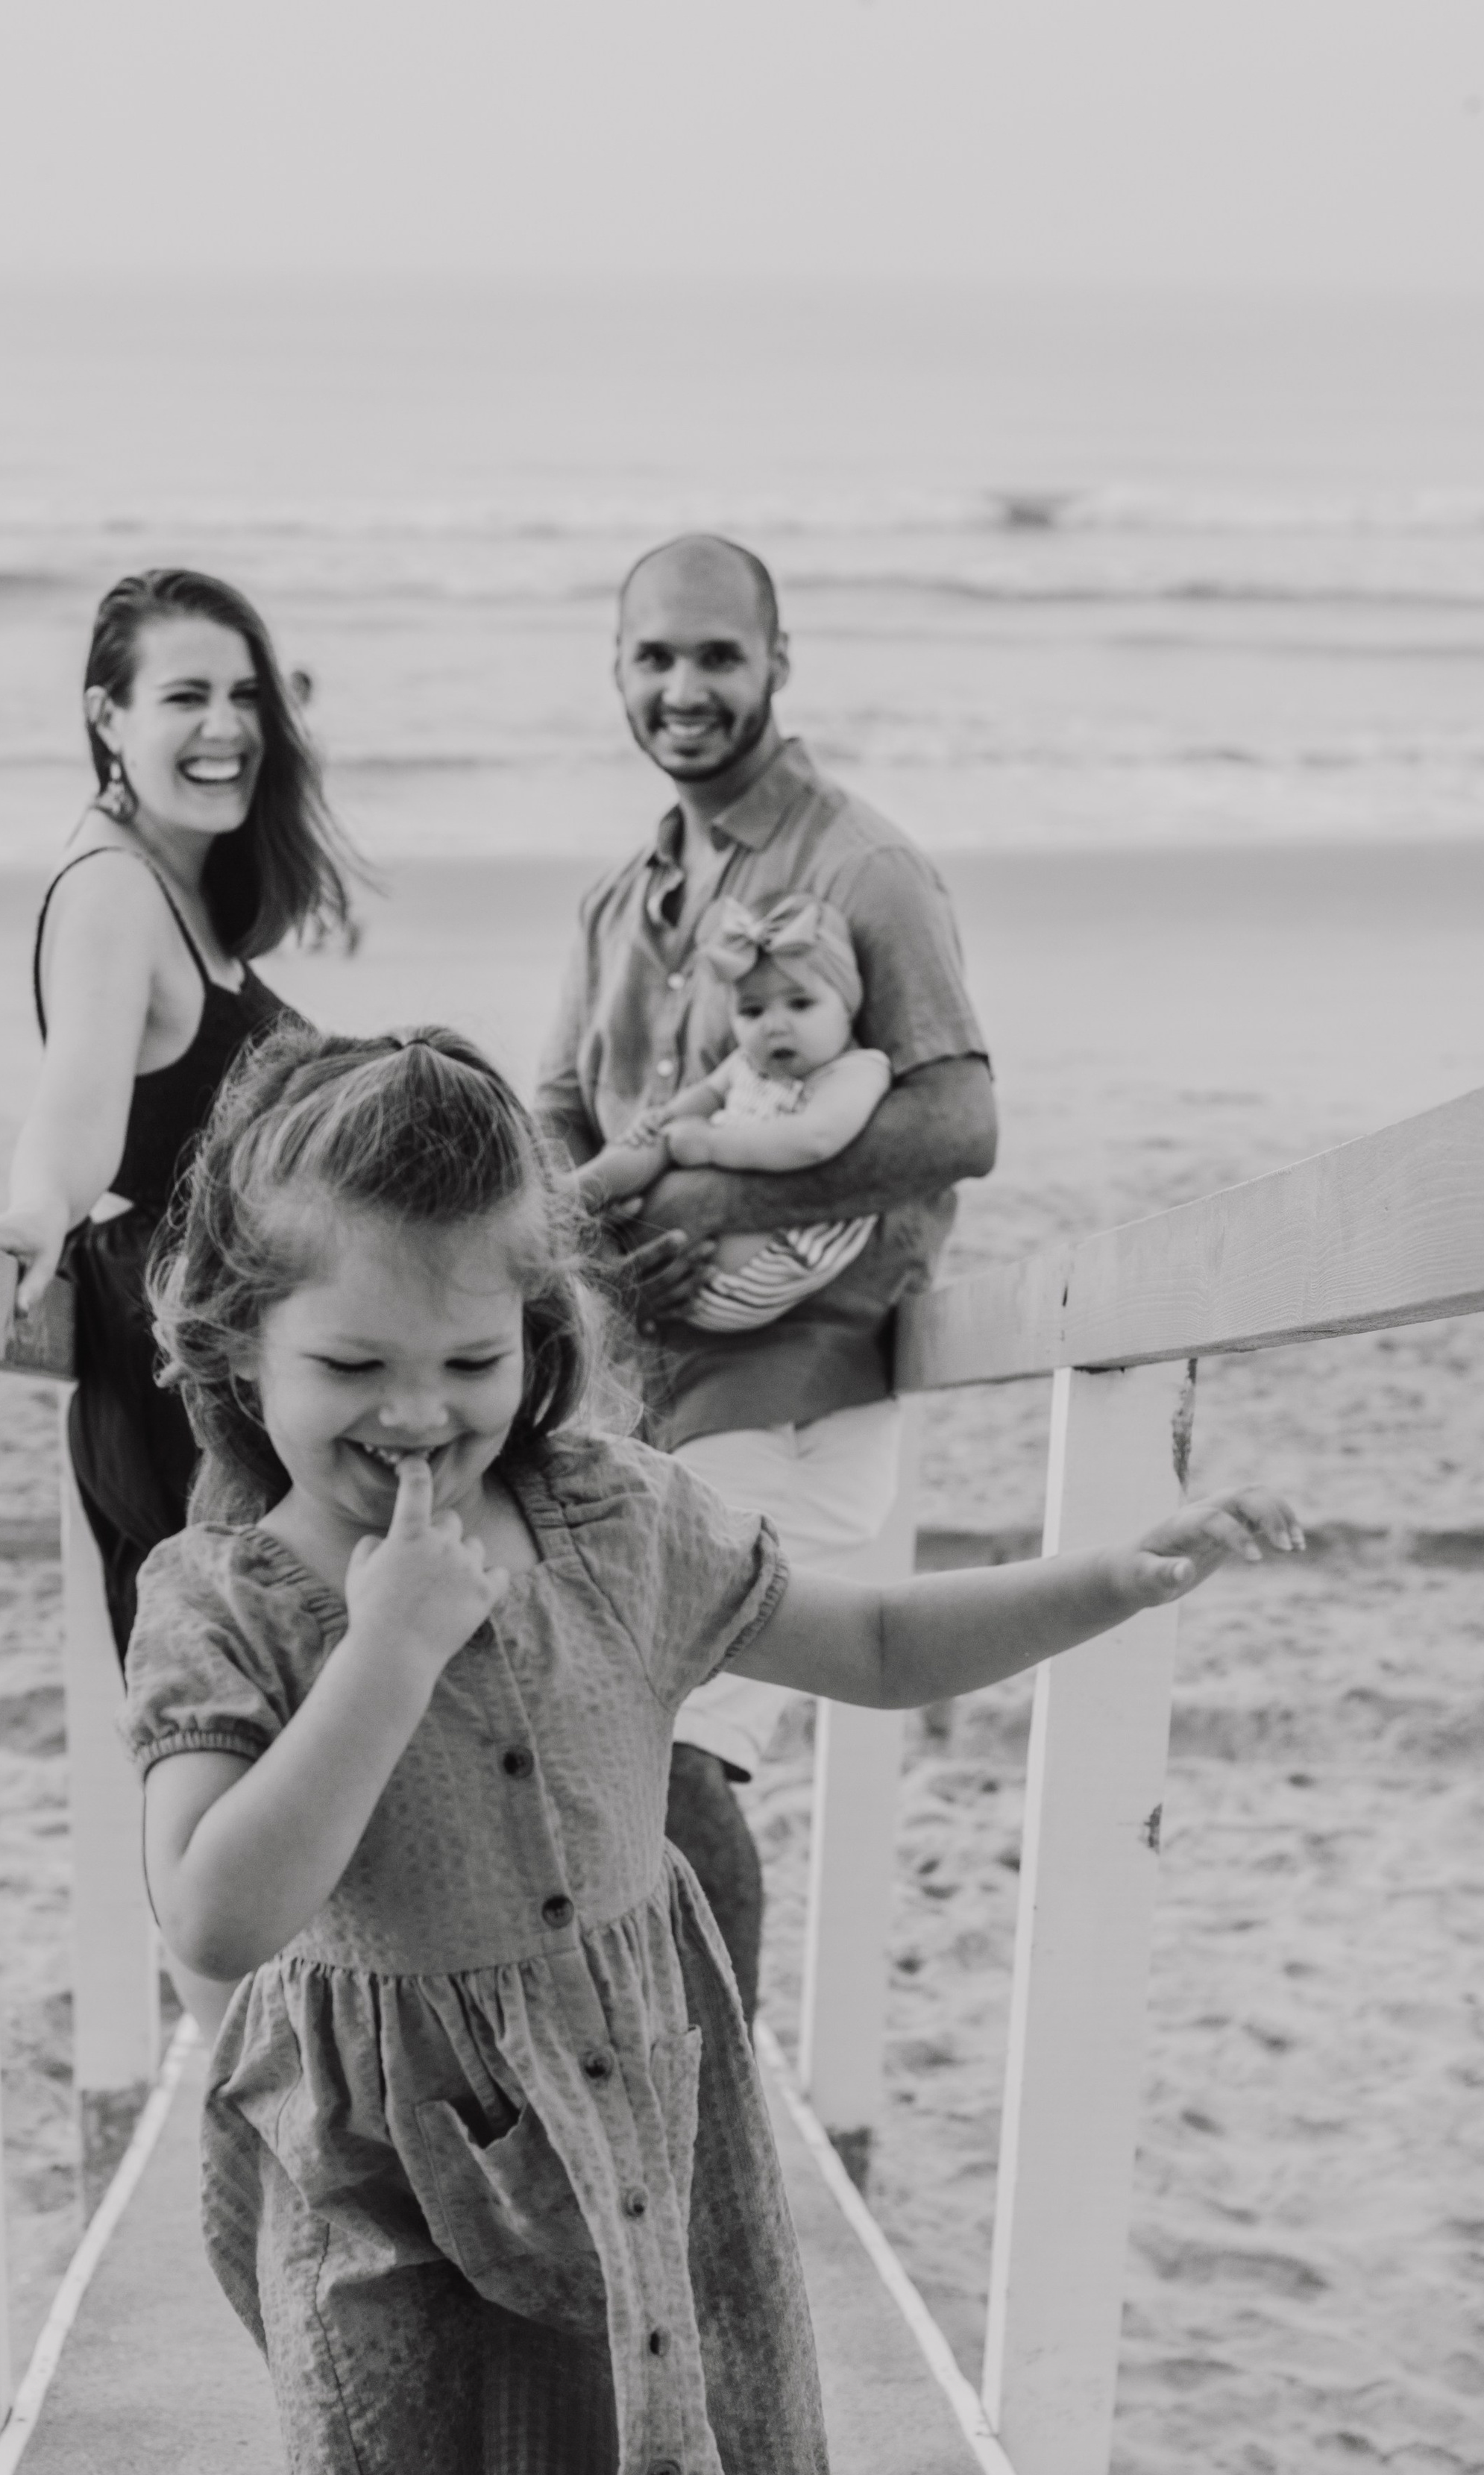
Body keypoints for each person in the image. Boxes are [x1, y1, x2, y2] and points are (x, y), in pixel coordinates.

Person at [123, 1023, 1301, 2475]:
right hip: (365, 2155)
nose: (419, 1415)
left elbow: (881, 1649)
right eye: (350, 1363)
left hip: (612, 2112)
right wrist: (392, 1643)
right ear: (235, 1350)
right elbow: (211, 1908)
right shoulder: (224, 1602)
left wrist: (1107, 1576)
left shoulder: (615, 1524)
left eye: (469, 1359)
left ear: (543, 1340)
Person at [537, 534, 998, 2022]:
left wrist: (719, 1195)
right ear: (615, 674)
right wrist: (592, 1236)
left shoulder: (860, 867)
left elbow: (958, 1119)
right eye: (652, 658)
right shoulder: (619, 903)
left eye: (715, 656)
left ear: (775, 666)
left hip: (802, 1383)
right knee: (573, 1724)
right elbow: (554, 1118)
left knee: (666, 1732)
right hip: (642, 1387)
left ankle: (714, 2104)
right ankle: (638, 2073)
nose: (683, 687)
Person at [0, 567, 353, 1656]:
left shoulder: (177, 884)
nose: (226, 727)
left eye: (245, 695)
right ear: (107, 716)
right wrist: (38, 1209)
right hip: (179, 1366)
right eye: (186, 696)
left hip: (227, 1347)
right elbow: (80, 1102)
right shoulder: (111, 892)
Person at [573, 893, 890, 1331]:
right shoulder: (748, 1062)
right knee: (662, 1134)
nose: (774, 1024)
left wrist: (710, 1144)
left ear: (848, 1004)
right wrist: (662, 1117)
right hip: (681, 1275)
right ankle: (571, 1196)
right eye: (752, 1010)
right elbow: (704, 1093)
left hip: (765, 1265)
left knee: (679, 1140)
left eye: (800, 1004)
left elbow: (815, 1140)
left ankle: (573, 1202)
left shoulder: (856, 1071)